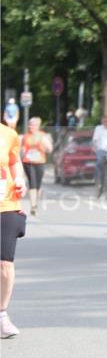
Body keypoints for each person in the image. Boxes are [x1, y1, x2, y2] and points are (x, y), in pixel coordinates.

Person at [1, 122, 27, 339]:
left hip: (6, 204)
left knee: (5, 262)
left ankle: (2, 315)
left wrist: (19, 179)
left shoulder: (8, 134)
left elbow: (14, 161)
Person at [20, 116, 53, 215]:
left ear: (38, 126)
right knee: (32, 184)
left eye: (33, 125)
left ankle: (36, 203)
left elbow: (49, 149)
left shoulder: (42, 136)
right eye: (29, 124)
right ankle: (33, 206)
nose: (31, 126)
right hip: (28, 162)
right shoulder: (25, 136)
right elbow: (22, 150)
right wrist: (22, 155)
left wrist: (45, 147)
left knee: (38, 185)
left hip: (40, 162)